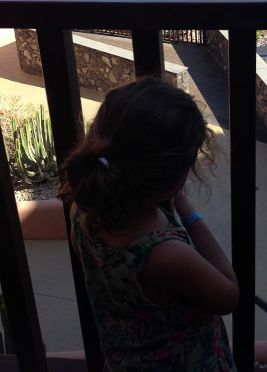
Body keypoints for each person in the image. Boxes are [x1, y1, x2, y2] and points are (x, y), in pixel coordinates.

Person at [59, 77, 239, 372]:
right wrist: (190, 216)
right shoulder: (165, 253)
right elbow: (229, 296)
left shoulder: (82, 211)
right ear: (173, 181)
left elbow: (88, 259)